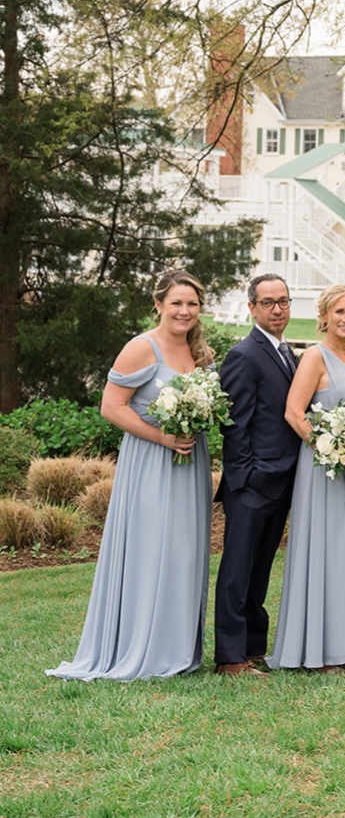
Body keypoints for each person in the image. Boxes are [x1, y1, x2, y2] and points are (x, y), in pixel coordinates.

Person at [48, 270, 215, 680]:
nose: (184, 311)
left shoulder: (201, 354)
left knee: (185, 552)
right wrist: (162, 437)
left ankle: (176, 651)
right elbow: (111, 407)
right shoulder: (141, 348)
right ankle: (142, 649)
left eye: (191, 304)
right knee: (151, 549)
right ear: (158, 304)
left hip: (190, 464)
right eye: (176, 302)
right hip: (152, 463)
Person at [269, 284, 345, 672]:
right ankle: (323, 651)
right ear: (324, 315)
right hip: (330, 470)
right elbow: (294, 413)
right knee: (334, 552)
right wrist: (333, 450)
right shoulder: (315, 357)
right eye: (339, 312)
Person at [214, 273, 303, 677]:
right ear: (252, 307)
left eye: (283, 301)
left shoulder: (288, 353)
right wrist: (246, 478)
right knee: (237, 572)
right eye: (268, 302)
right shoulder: (243, 355)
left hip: (282, 482)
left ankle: (252, 649)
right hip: (251, 484)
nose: (277, 309)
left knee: (261, 569)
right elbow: (234, 425)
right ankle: (230, 658)